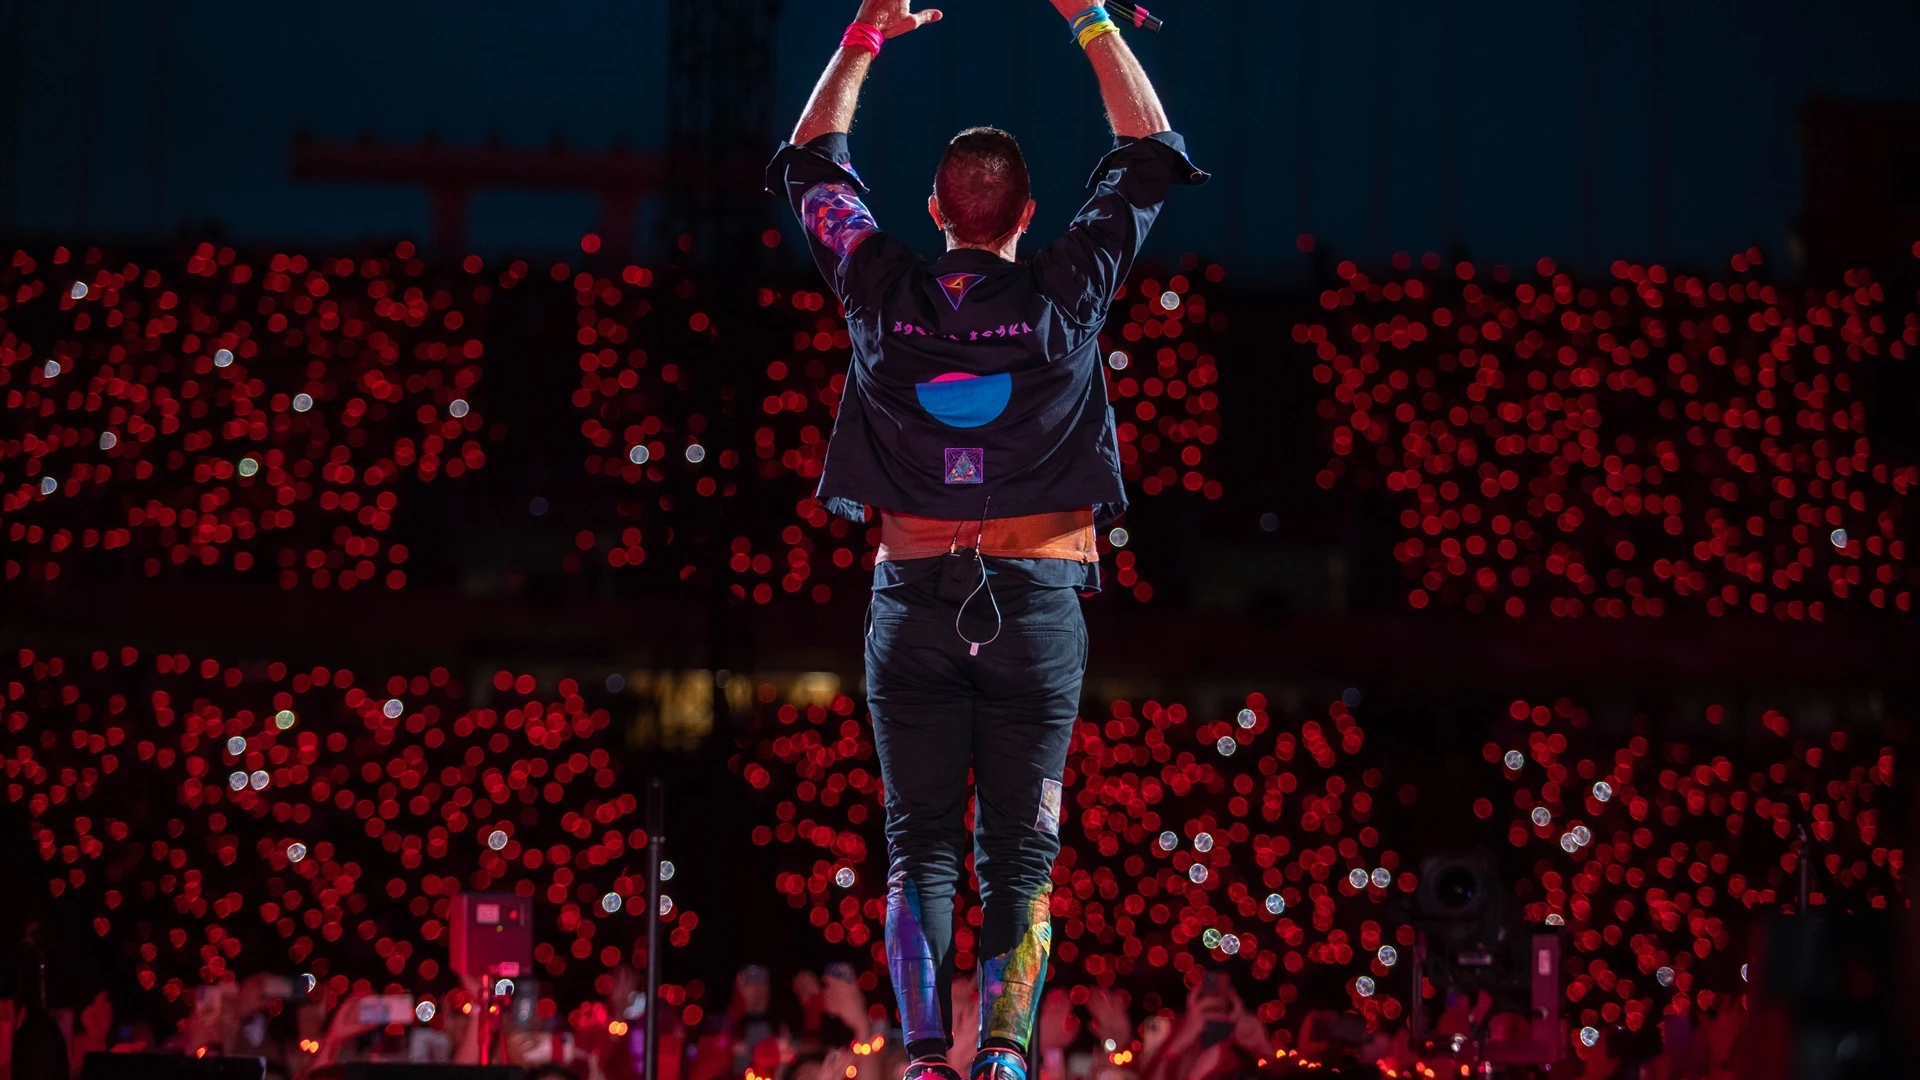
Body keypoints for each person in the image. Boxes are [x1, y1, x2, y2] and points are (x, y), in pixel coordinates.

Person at [769, 6, 1205, 1080]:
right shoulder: (1069, 287)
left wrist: (864, 34)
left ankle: (926, 1060)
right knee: (1019, 859)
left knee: (919, 846)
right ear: (1030, 212)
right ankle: (1004, 1061)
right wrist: (1090, 16)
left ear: (931, 209)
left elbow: (813, 162)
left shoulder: (879, 286)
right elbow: (1148, 152)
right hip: (1039, 606)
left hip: (911, 603)